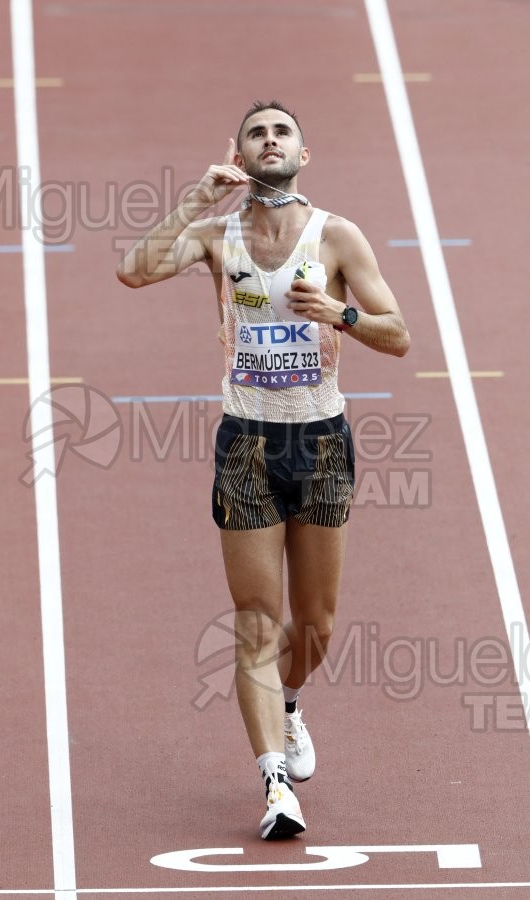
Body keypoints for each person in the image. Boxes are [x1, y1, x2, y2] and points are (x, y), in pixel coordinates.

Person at [117, 100, 410, 840]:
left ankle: (287, 704)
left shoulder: (335, 236)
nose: (269, 140)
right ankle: (275, 783)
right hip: (245, 440)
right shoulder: (217, 235)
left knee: (312, 626)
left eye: (281, 131)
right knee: (255, 623)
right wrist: (194, 197)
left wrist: (336, 316)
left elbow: (398, 336)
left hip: (319, 441)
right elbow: (133, 271)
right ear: (240, 155)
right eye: (257, 133)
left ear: (302, 155)